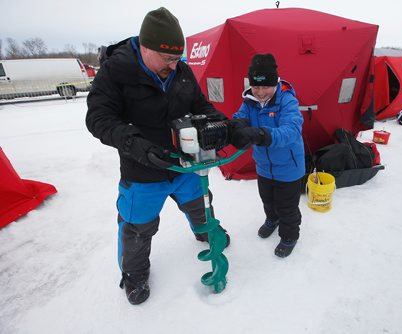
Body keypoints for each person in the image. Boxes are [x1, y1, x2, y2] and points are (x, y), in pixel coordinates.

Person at [86, 7, 229, 305]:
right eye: (169, 59)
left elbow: (202, 107)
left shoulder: (182, 71)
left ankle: (206, 233)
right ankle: (135, 275)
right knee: (137, 227)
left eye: (178, 59)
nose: (175, 66)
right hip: (142, 171)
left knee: (201, 205)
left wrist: (224, 127)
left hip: (184, 165)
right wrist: (135, 144)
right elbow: (99, 118)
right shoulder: (116, 72)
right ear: (146, 47)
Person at [229, 53, 305, 258]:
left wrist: (262, 134)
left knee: (287, 206)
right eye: (256, 87)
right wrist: (236, 127)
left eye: (265, 87)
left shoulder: (287, 100)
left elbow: (292, 130)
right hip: (263, 166)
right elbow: (240, 117)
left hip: (288, 167)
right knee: (267, 199)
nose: (261, 92)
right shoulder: (250, 101)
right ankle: (272, 219)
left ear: (275, 82)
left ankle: (289, 235)